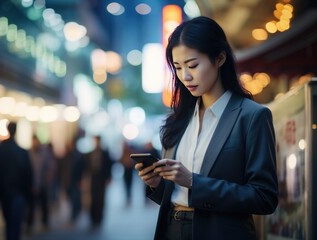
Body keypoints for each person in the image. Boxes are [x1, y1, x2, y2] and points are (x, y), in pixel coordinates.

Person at [135, 16, 278, 240]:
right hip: (171, 229)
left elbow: (264, 197)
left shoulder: (252, 116)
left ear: (220, 58)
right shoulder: (177, 120)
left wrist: (194, 181)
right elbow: (175, 194)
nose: (185, 76)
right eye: (178, 67)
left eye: (193, 65)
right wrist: (156, 185)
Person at [0, 122, 33, 240]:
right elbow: (28, 175)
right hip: (18, 193)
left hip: (5, 195)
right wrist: (29, 196)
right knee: (16, 226)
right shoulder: (22, 152)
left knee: (9, 224)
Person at [84, 135, 112, 229]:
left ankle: (99, 218)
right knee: (93, 198)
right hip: (92, 178)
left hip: (102, 179)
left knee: (101, 199)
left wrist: (109, 177)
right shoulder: (89, 153)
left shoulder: (105, 153)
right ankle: (93, 218)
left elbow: (109, 166)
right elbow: (85, 167)